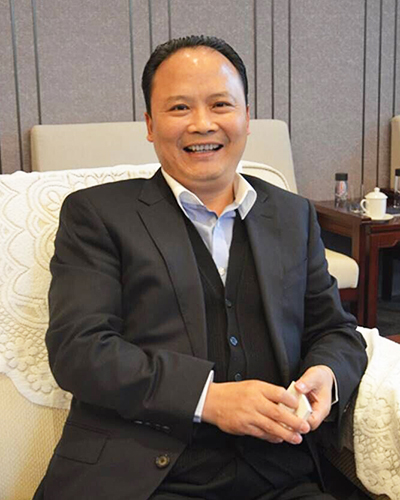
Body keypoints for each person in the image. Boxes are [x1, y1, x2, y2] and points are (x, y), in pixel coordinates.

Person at [33, 35, 367, 500]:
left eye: (220, 104)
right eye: (179, 108)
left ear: (246, 117)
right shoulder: (97, 214)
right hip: (145, 477)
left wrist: (325, 378)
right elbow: (79, 350)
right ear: (150, 125)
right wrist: (207, 399)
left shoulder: (292, 215)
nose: (202, 124)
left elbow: (335, 330)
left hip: (282, 476)